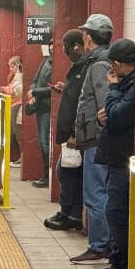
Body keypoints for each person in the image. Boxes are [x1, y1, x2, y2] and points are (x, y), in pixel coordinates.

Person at [88, 39, 135, 269]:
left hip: (123, 160)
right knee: (115, 211)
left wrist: (113, 89)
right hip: (118, 158)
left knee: (116, 213)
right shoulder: (128, 84)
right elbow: (111, 115)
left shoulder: (130, 86)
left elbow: (117, 117)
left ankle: (120, 267)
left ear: (117, 64)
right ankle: (118, 263)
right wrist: (101, 117)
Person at [70, 14, 114, 264]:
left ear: (88, 37)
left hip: (96, 141)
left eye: (84, 33)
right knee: (99, 192)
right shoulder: (104, 61)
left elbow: (103, 104)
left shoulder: (98, 65)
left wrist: (92, 134)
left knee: (95, 193)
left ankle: (100, 245)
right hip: (98, 140)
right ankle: (102, 243)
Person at [43, 29, 86, 231]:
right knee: (68, 172)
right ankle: (70, 212)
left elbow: (83, 104)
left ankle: (71, 214)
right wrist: (65, 88)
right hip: (74, 133)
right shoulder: (79, 68)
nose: (65, 53)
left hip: (77, 135)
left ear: (76, 46)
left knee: (68, 172)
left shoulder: (86, 68)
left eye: (66, 49)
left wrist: (74, 134)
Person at [27, 46, 53, 187]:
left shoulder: (58, 64)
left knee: (45, 143)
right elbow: (35, 79)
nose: (51, 47)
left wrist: (35, 91)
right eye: (50, 45)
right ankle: (45, 176)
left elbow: (53, 87)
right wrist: (32, 91)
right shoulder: (45, 62)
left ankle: (48, 177)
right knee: (42, 142)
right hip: (40, 107)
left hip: (49, 107)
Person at [0, 56, 23, 167]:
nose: (10, 69)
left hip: (16, 104)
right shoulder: (15, 76)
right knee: (14, 131)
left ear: (18, 65)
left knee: (16, 131)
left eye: (12, 66)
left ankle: (21, 157)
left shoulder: (19, 76)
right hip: (13, 103)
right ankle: (19, 157)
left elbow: (17, 90)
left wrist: (5, 89)